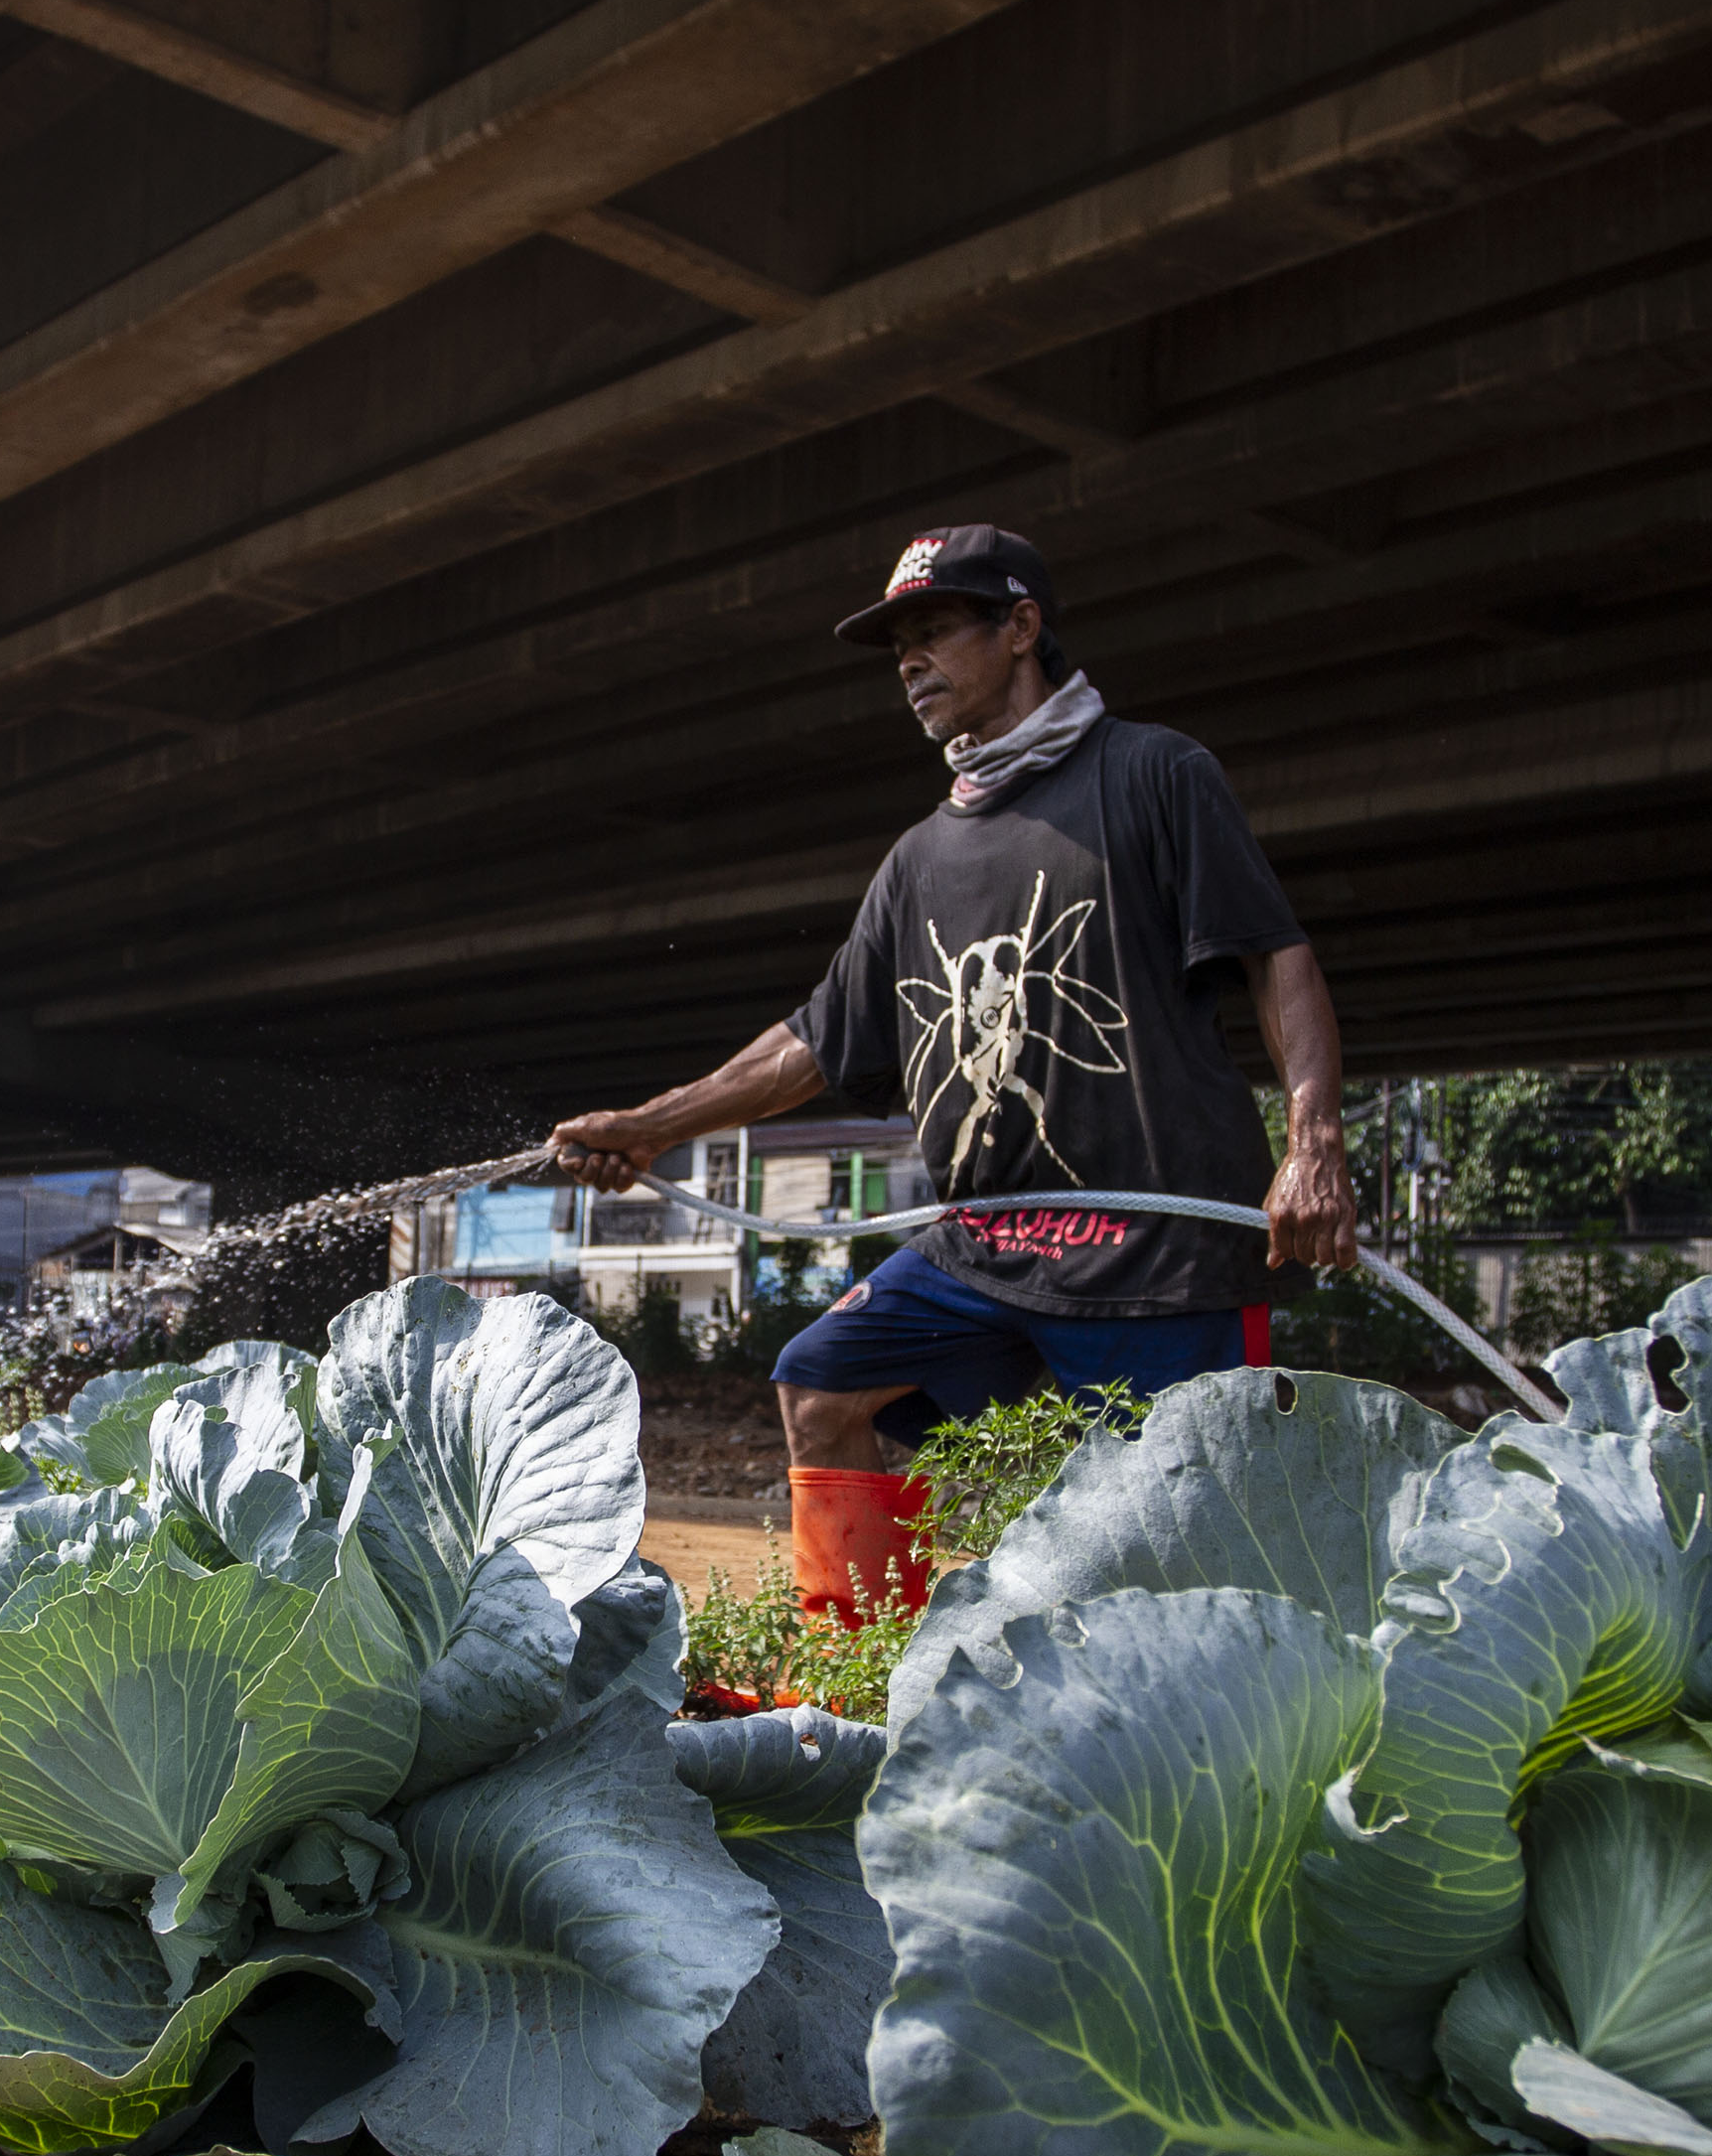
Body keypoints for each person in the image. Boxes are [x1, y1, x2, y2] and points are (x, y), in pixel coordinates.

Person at [549, 524, 1356, 1621]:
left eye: (933, 632)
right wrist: (653, 1123)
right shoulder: (920, 857)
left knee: (1193, 1551)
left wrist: (1313, 1145)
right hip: (986, 1244)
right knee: (821, 1379)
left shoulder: (1155, 774)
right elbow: (815, 1043)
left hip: (1160, 1255)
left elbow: (1276, 956)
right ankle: (865, 1662)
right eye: (897, 647)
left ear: (1021, 626)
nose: (910, 663)